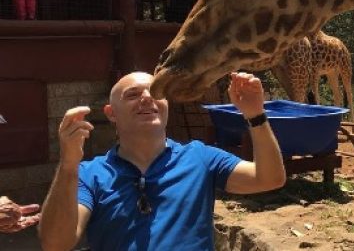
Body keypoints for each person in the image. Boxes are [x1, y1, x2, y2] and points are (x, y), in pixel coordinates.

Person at [38, 71, 285, 251]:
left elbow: (269, 178)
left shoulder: (201, 158)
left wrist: (255, 115)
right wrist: (68, 164)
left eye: (156, 93)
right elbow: (56, 243)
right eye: (133, 94)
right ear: (111, 113)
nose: (147, 97)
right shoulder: (89, 174)